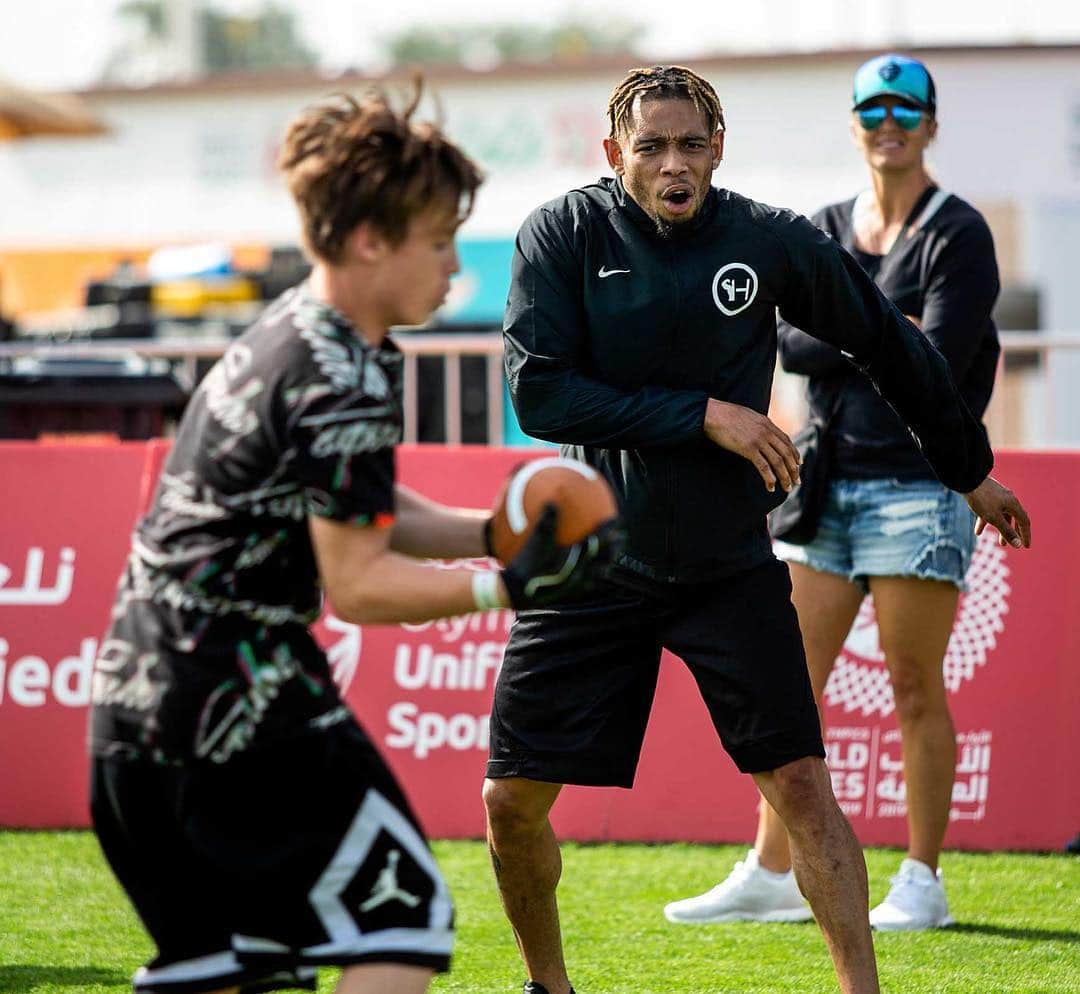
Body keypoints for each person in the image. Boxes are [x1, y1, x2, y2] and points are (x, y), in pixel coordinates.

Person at [484, 64, 1031, 994]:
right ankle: (551, 986)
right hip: (594, 562)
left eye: (691, 144)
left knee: (802, 785)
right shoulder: (562, 233)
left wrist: (965, 467)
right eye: (651, 148)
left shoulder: (765, 238)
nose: (672, 165)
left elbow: (888, 340)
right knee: (510, 801)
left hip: (725, 562)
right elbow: (538, 390)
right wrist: (704, 413)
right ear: (614, 153)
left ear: (718, 150)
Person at [87, 89, 619, 994]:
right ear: (371, 238)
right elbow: (361, 585)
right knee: (404, 921)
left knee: (245, 970)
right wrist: (514, 586)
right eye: (440, 239)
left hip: (132, 716)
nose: (457, 266)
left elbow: (357, 507)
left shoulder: (298, 335)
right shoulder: (342, 374)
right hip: (240, 704)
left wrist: (491, 535)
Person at [664, 53, 1010, 934]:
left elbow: (936, 355)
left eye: (905, 107)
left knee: (913, 685)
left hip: (918, 485)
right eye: (872, 107)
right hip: (820, 488)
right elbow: (793, 342)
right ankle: (772, 868)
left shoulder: (959, 232)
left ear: (930, 124)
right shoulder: (820, 223)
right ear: (854, 123)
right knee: (792, 687)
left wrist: (850, 325)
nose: (888, 121)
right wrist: (871, 328)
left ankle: (923, 879)